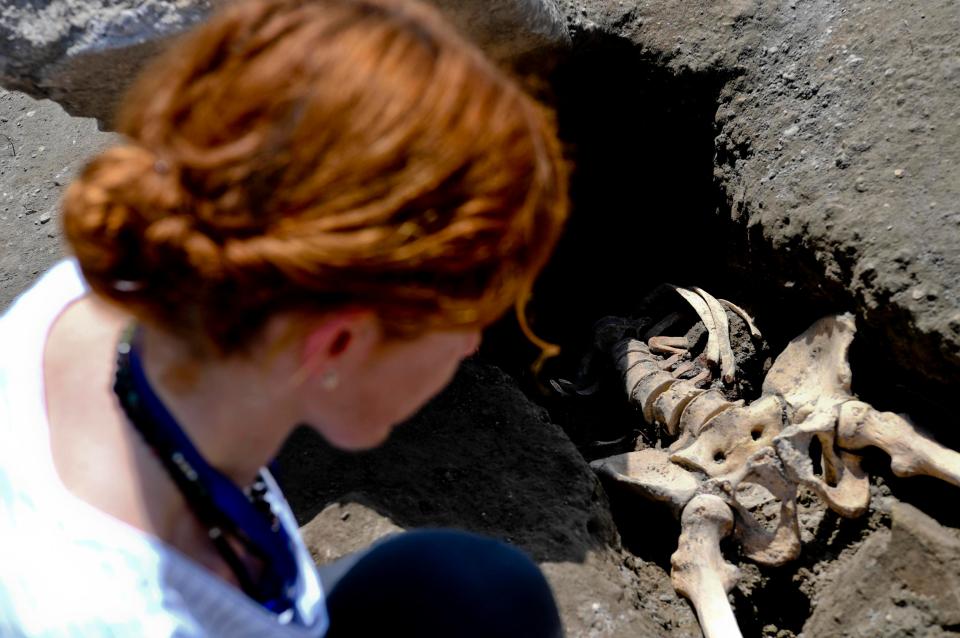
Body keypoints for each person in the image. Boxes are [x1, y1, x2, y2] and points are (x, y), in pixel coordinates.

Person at [0, 0, 569, 635]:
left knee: (475, 591)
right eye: (468, 318)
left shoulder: (114, 283)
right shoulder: (121, 618)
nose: (470, 346)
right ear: (336, 344)